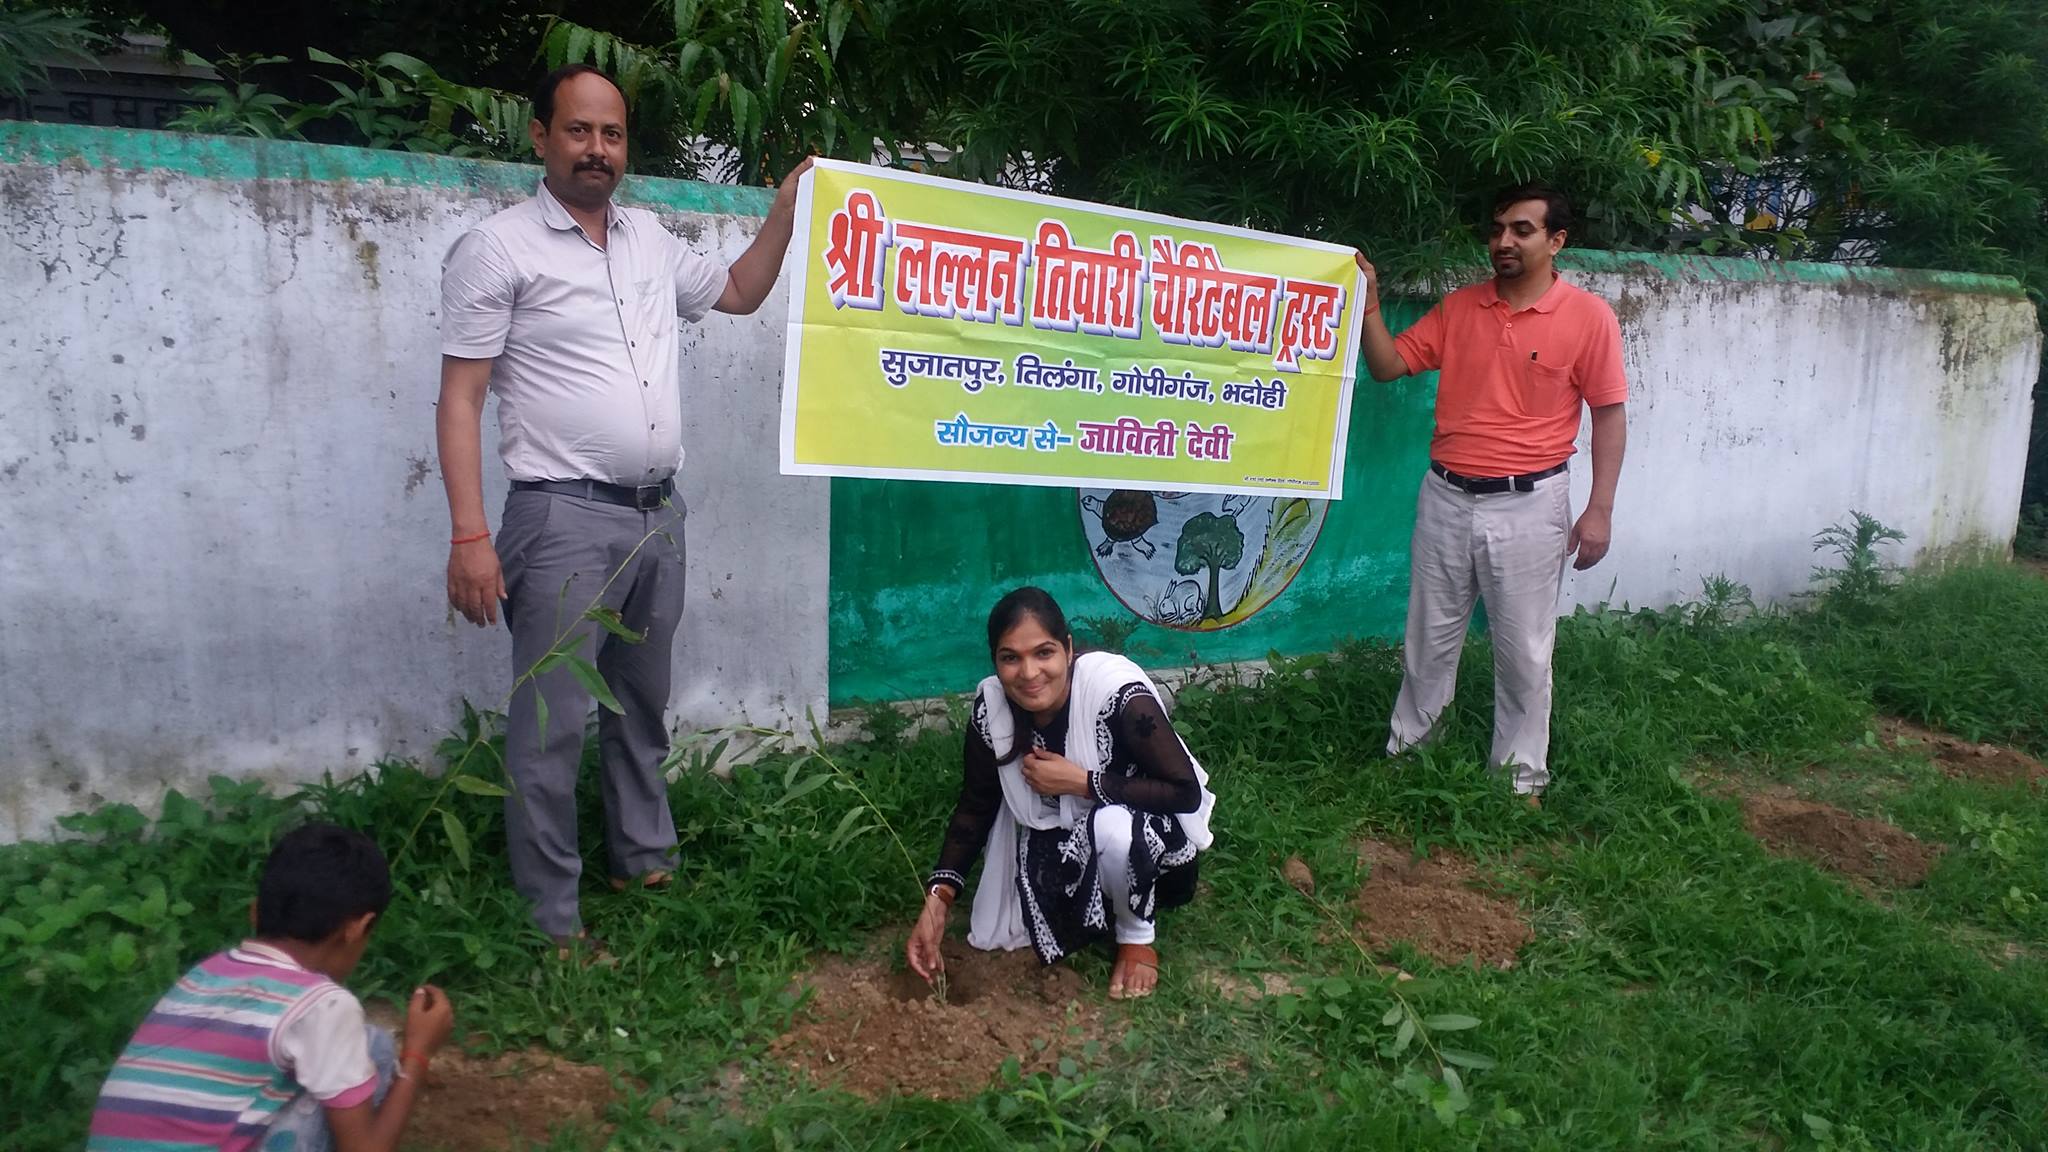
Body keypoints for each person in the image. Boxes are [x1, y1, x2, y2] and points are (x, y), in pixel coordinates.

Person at [435, 63, 812, 951]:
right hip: (559, 518)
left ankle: (641, 858)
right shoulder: (497, 249)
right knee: (552, 724)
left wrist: (786, 211)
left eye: (611, 134)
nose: (597, 149)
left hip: (657, 516)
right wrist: (469, 534)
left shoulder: (646, 238)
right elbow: (461, 397)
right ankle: (551, 917)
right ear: (540, 136)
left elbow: (739, 292)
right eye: (578, 130)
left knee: (639, 703)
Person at [1354, 182, 1629, 803]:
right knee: (1428, 638)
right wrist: (1370, 307)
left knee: (1525, 650)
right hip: (1446, 497)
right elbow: (1388, 365)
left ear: (1556, 241)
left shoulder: (1588, 318)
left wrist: (1600, 509)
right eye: (1498, 228)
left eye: (1522, 230)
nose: (1504, 241)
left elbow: (1609, 413)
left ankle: (1518, 781)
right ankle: (1411, 756)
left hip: (1530, 504)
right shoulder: (1460, 308)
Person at [905, 588, 1218, 1000]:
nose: (1029, 673)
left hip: (1156, 856)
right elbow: (975, 807)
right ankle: (1099, 906)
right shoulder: (993, 710)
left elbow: (1184, 792)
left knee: (1110, 826)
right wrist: (938, 901)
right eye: (1010, 658)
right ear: (995, 662)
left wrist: (1082, 782)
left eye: (1044, 653)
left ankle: (1136, 937)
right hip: (1068, 844)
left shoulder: (1114, 692)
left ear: (1068, 650)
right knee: (1028, 902)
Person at [87, 823, 455, 1152]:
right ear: (357, 929)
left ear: (255, 911)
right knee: (373, 1046)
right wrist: (418, 1054)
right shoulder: (324, 1006)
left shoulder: (202, 977)